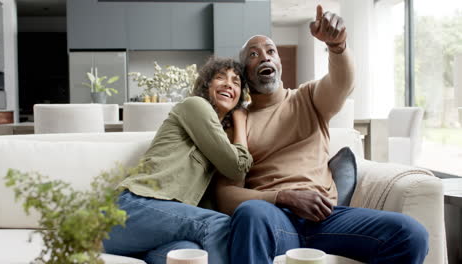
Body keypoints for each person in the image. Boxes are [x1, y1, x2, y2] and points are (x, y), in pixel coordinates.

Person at [215, 5, 429, 264]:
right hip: (272, 217)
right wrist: (283, 196)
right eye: (253, 54)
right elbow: (226, 195)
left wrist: (337, 47)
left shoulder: (308, 98)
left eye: (271, 51)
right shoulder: (238, 121)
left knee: (411, 234)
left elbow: (342, 82)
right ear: (245, 72)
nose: (264, 56)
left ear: (279, 62)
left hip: (326, 218)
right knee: (250, 213)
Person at [103, 57, 252, 264]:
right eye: (220, 77)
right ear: (206, 84)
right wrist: (241, 122)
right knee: (218, 224)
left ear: (239, 96)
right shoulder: (195, 105)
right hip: (129, 209)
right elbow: (236, 167)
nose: (228, 83)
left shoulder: (218, 140)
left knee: (190, 254)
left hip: (154, 231)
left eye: (236, 82)